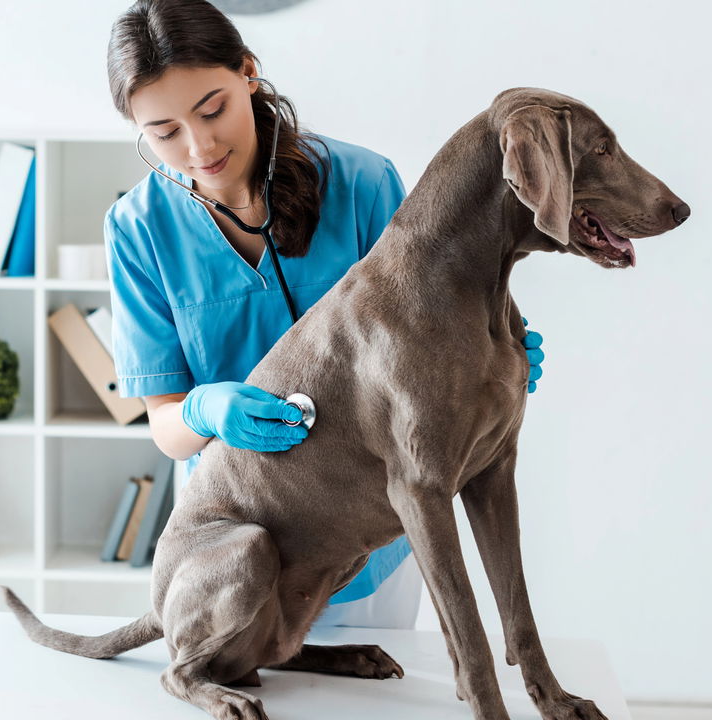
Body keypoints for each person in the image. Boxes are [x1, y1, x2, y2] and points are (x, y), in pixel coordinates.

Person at [102, 0, 545, 631]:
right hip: (241, 536)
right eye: (164, 132)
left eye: (212, 109)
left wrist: (494, 346)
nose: (199, 147)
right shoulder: (138, 230)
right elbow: (168, 427)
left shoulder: (363, 185)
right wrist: (204, 411)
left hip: (374, 537)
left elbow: (449, 312)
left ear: (248, 74)